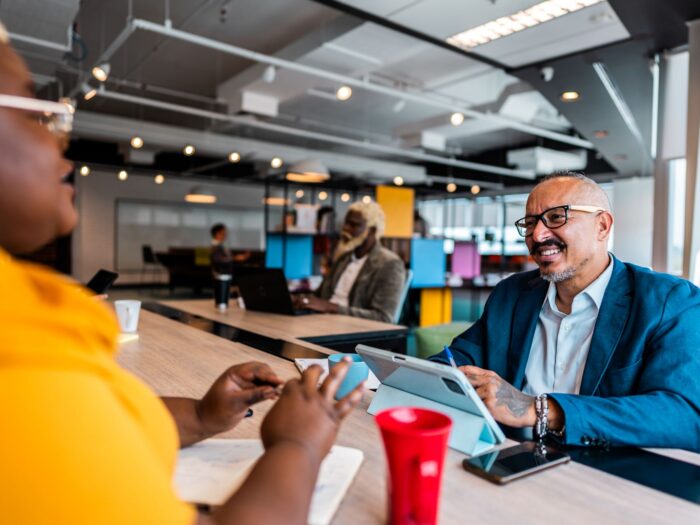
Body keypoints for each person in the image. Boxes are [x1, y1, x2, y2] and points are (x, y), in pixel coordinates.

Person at [0, 26, 364, 524]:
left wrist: (199, 415)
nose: (58, 133)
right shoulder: (17, 376)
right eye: (30, 106)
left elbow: (104, 422)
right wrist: (297, 446)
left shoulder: (22, 325)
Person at [431, 172, 700, 451]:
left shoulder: (670, 301)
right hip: (510, 457)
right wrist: (416, 377)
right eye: (531, 222)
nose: (538, 234)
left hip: (608, 477)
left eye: (557, 217)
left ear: (602, 226)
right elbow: (459, 359)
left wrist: (542, 410)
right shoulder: (511, 294)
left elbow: (686, 415)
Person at [296, 201, 406, 323]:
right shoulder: (343, 258)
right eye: (346, 223)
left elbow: (383, 317)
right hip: (322, 320)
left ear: (372, 231)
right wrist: (302, 299)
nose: (345, 228)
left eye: (353, 225)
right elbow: (319, 296)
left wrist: (332, 307)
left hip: (352, 329)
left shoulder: (389, 264)